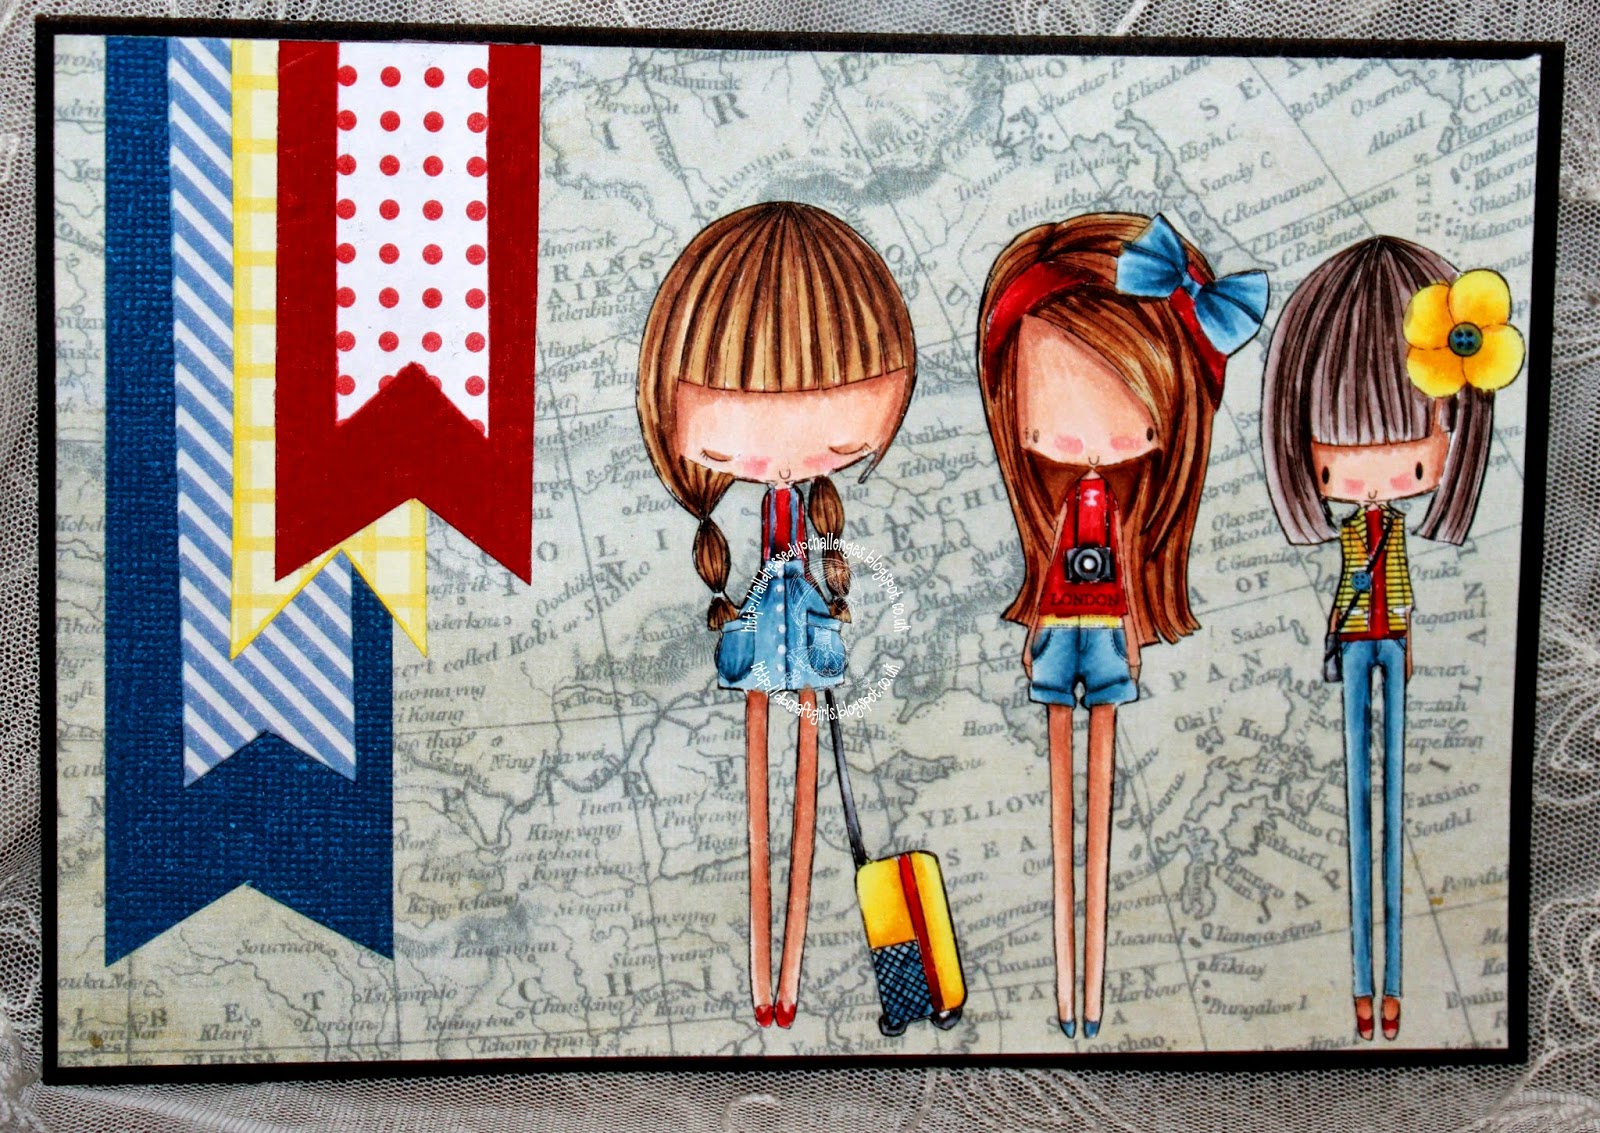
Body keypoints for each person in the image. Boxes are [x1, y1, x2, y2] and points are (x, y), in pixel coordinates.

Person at [976, 212, 1263, 1039]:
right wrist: (1037, 628)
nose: (1085, 444)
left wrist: (1132, 630)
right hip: (1060, 626)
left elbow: (1128, 578)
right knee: (1062, 781)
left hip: (1106, 629)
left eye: (1131, 423)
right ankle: (1067, 989)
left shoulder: (1122, 513)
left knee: (1098, 787)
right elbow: (1051, 566)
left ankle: (1090, 993)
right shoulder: (1063, 510)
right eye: (1048, 421)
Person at [637, 200, 915, 1029]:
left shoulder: (811, 516)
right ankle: (764, 979)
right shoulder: (752, 525)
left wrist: (834, 600)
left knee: (803, 784)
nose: (787, 454)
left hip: (802, 624)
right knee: (764, 786)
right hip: (767, 622)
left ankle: (788, 976)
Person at [1260, 235, 1523, 1041]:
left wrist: (1403, 639)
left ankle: (1395, 989)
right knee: (1359, 806)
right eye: (1338, 459)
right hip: (1356, 638)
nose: (1371, 483)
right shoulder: (1352, 537)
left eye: (1406, 461)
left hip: (1391, 637)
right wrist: (1349, 631)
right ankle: (1362, 991)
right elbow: (1356, 583)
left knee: (1393, 797)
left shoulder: (1394, 538)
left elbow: (1395, 587)